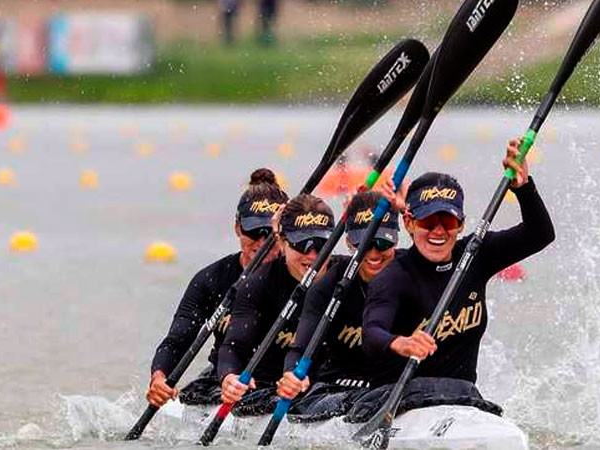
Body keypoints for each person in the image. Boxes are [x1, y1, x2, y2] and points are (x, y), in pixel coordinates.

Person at [354, 139, 555, 419]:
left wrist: (524, 188)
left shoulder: (476, 255)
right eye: (427, 222)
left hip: (461, 399)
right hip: (398, 402)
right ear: (409, 222)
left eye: (447, 221)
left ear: (460, 224)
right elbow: (371, 335)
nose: (438, 231)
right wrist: (401, 343)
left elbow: (540, 234)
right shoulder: (393, 278)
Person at [145, 168, 287, 408]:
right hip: (224, 379)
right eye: (253, 231)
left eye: (270, 233)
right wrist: (159, 378)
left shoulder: (305, 278)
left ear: (285, 234)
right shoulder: (211, 280)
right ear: (237, 229)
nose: (262, 242)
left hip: (284, 381)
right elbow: (178, 340)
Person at [276, 189, 404, 420]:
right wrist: (292, 376)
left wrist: (407, 209)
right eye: (364, 243)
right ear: (348, 242)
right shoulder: (329, 285)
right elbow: (300, 349)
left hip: (398, 387)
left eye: (383, 242)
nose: (374, 253)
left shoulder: (412, 270)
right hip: (342, 386)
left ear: (397, 237)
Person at [217, 193, 338, 415]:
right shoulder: (257, 284)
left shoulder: (347, 276)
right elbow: (233, 347)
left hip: (332, 388)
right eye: (302, 244)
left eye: (321, 244)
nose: (312, 255)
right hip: (269, 387)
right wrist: (230, 377)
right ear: (281, 242)